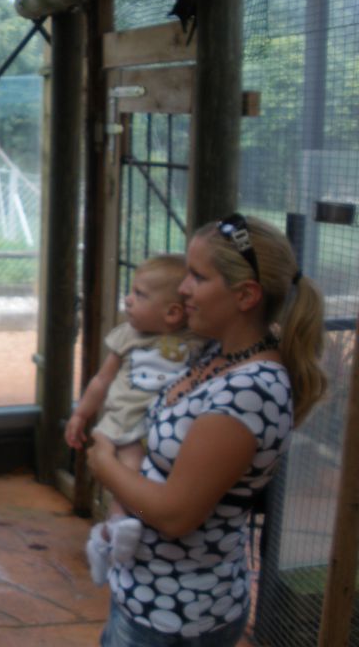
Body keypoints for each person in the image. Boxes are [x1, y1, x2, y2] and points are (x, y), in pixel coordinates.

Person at [87, 213, 327, 646]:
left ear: (246, 295)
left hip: (176, 616)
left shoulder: (250, 390)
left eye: (197, 277)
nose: (183, 288)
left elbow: (175, 516)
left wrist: (104, 464)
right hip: (145, 594)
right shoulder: (214, 352)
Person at [65, 254, 202, 584]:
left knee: (150, 477)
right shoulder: (126, 335)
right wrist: (81, 413)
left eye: (140, 295)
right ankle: (115, 528)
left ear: (172, 313)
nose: (128, 298)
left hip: (165, 426)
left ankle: (111, 536)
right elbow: (101, 380)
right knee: (129, 470)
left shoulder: (195, 342)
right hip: (126, 422)